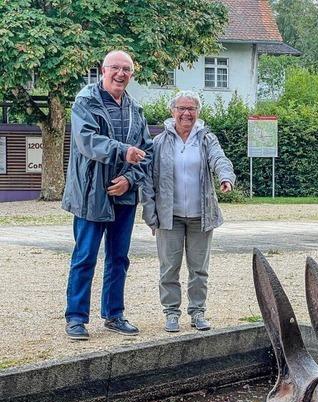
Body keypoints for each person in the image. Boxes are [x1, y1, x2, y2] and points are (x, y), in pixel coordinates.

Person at [62, 50, 153, 340]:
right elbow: (87, 141)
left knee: (119, 258)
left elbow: (146, 154)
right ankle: (76, 318)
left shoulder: (136, 109)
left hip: (124, 196)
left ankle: (114, 315)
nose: (121, 73)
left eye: (126, 69)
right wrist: (122, 150)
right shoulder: (85, 101)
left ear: (132, 74)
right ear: (103, 70)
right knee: (85, 256)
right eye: (115, 68)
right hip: (92, 194)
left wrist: (129, 179)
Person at [142, 91, 236, 333]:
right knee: (169, 267)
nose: (186, 113)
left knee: (199, 269)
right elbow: (149, 181)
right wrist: (150, 216)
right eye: (181, 108)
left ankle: (197, 312)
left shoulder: (207, 140)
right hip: (169, 216)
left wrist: (225, 177)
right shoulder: (159, 143)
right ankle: (171, 313)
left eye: (191, 109)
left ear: (198, 112)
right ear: (172, 112)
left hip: (200, 215)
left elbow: (220, 159)